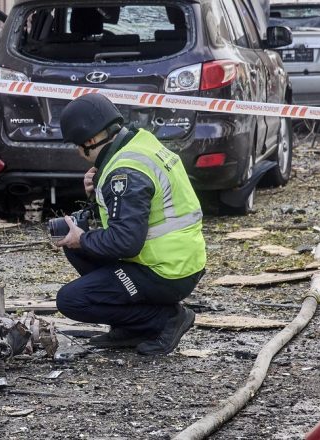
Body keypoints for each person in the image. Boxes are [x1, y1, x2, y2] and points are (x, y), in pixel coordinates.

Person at [54, 93, 206, 356]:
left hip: (166, 271)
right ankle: (131, 326)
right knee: (77, 246)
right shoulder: (140, 143)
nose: (79, 153)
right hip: (180, 257)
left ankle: (166, 319)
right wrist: (96, 194)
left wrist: (83, 238)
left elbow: (125, 241)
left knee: (70, 300)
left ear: (91, 140)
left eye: (78, 146)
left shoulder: (125, 173)